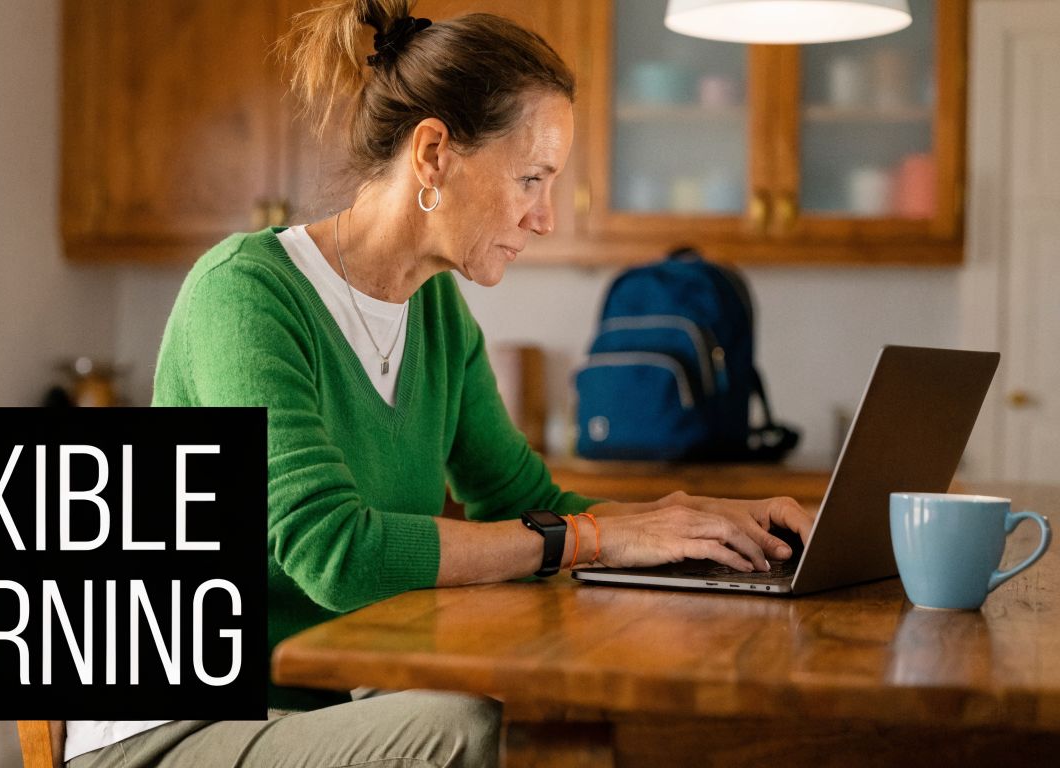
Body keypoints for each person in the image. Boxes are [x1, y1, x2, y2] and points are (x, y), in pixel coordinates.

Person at [66, 1, 814, 766]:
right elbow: (335, 554)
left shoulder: (437, 316)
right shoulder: (246, 293)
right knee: (459, 726)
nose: (545, 216)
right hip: (170, 728)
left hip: (321, 701)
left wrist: (694, 524)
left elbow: (530, 507)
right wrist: (592, 537)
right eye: (531, 178)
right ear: (433, 154)